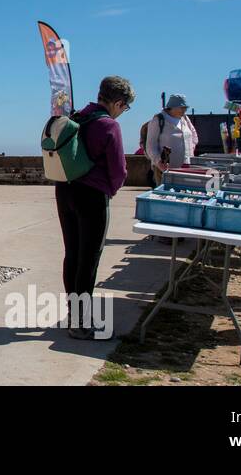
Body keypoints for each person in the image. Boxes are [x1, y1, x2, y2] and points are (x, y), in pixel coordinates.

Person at [54, 76, 133, 339]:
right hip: (92, 195)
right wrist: (110, 190)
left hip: (64, 190)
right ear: (118, 103)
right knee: (89, 258)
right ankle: (81, 322)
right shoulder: (108, 125)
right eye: (125, 108)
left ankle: (73, 314)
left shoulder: (77, 116)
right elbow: (119, 170)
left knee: (73, 254)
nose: (123, 113)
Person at [144, 94, 198, 182]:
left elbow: (194, 136)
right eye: (181, 107)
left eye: (185, 108)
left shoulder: (185, 119)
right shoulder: (159, 120)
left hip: (187, 167)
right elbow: (151, 145)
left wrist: (190, 149)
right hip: (165, 169)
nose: (184, 110)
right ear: (171, 107)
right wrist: (159, 162)